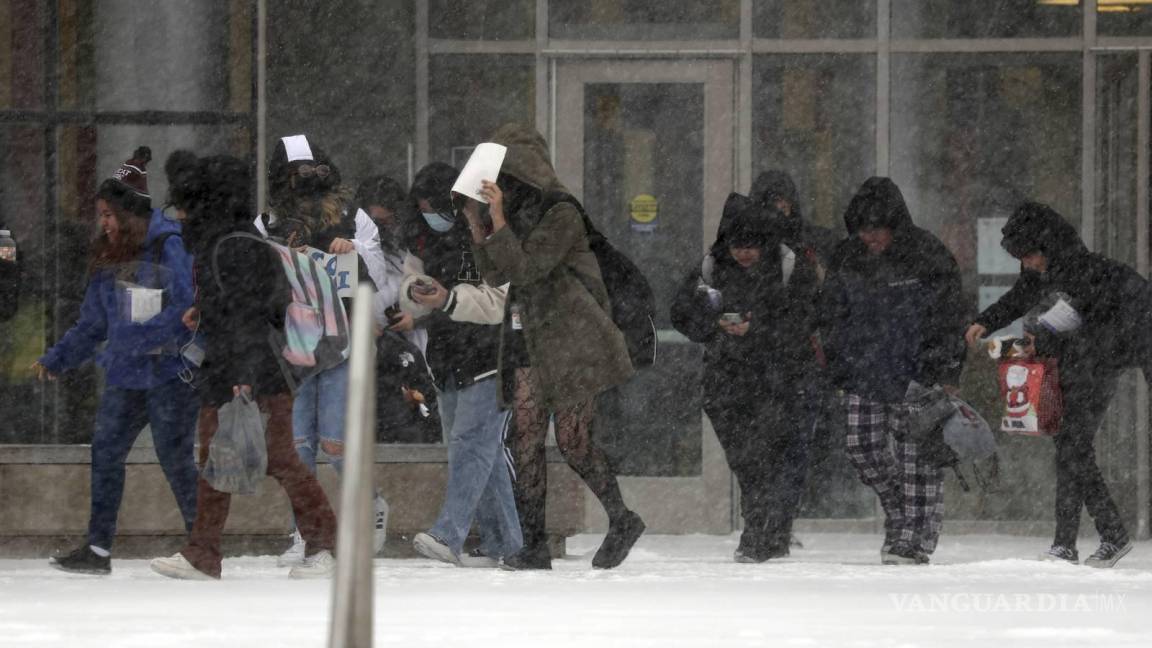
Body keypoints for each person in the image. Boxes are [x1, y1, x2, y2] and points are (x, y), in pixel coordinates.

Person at [463, 124, 644, 570]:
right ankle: (534, 543)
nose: (503, 185)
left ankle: (622, 517)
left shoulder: (561, 211)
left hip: (574, 340)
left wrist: (499, 219)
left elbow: (526, 269)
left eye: (508, 174)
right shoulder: (517, 211)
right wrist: (477, 224)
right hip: (529, 338)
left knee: (572, 440)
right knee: (524, 436)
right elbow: (495, 275)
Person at [149, 153, 338, 580]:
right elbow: (251, 308)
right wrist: (203, 312)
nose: (179, 214)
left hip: (248, 375)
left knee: (276, 460)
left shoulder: (229, 246)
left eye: (183, 204)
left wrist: (242, 379)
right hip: (243, 372)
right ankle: (205, 552)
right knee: (220, 459)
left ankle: (323, 544)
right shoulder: (235, 242)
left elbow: (249, 318)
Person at [36, 149, 200, 575]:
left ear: (130, 213)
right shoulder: (108, 256)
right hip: (126, 375)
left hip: (168, 374)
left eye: (108, 214)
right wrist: (58, 358)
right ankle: (98, 549)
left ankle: (203, 543)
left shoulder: (170, 245)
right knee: (106, 451)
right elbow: (93, 322)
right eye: (100, 215)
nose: (103, 223)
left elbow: (186, 307)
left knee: (175, 457)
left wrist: (146, 340)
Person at [964, 202, 1149, 568]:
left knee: (1073, 447)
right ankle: (1079, 541)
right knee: (1070, 447)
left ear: (1047, 247)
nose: (1028, 264)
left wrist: (1041, 343)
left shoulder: (1086, 273)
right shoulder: (1044, 269)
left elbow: (1090, 331)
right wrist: (987, 321)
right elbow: (1019, 298)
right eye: (1021, 258)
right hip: (1086, 362)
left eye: (1030, 256)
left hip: (1108, 356)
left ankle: (1098, 537)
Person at [255, 135, 391, 565]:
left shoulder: (354, 219)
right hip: (295, 344)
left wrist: (354, 251)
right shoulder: (267, 224)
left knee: (335, 444)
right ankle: (307, 531)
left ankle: (369, 510)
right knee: (298, 447)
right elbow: (259, 281)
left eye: (312, 173)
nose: (305, 184)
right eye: (296, 176)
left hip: (343, 343)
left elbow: (381, 278)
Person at [820, 177, 967, 566]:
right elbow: (832, 314)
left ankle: (916, 537)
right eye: (863, 230)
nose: (869, 237)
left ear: (894, 225)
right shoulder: (846, 257)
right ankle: (900, 510)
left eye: (876, 229)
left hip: (918, 372)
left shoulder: (927, 255)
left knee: (917, 457)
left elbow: (951, 315)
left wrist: (946, 368)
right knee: (861, 447)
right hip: (863, 371)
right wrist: (837, 364)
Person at [671, 194, 819, 563]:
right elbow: (680, 311)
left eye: (752, 246)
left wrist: (759, 328)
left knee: (767, 456)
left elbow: (809, 316)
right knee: (744, 458)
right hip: (727, 379)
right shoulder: (710, 266)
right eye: (737, 246)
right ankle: (766, 529)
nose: (744, 254)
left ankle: (762, 530)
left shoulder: (788, 266)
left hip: (778, 377)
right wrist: (713, 324)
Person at [404, 162, 523, 567]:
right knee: (477, 453)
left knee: (470, 446)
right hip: (447, 358)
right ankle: (506, 541)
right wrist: (417, 293)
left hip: (491, 355)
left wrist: (447, 300)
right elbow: (408, 283)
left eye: (433, 207)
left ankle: (448, 533)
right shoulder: (420, 240)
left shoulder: (492, 235)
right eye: (421, 208)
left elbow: (499, 300)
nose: (429, 216)